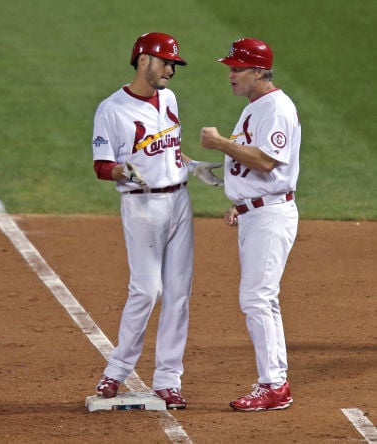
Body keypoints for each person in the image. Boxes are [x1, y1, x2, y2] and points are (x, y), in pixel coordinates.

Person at [91, 32, 222, 409]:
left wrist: (192, 166)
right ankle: (116, 372)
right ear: (143, 60)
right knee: (147, 290)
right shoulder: (112, 109)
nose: (170, 70)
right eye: (166, 62)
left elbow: (170, 150)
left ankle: (168, 379)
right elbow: (101, 166)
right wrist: (122, 171)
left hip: (179, 201)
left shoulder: (169, 98)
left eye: (173, 65)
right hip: (142, 206)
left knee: (178, 293)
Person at [200, 38, 300, 411]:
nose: (231, 75)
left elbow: (268, 161)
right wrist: (239, 203)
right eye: (230, 68)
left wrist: (221, 144)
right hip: (256, 212)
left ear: (259, 71)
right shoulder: (255, 107)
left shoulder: (276, 108)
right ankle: (275, 381)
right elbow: (252, 162)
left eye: (238, 69)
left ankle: (274, 385)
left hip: (272, 214)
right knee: (262, 298)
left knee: (258, 297)